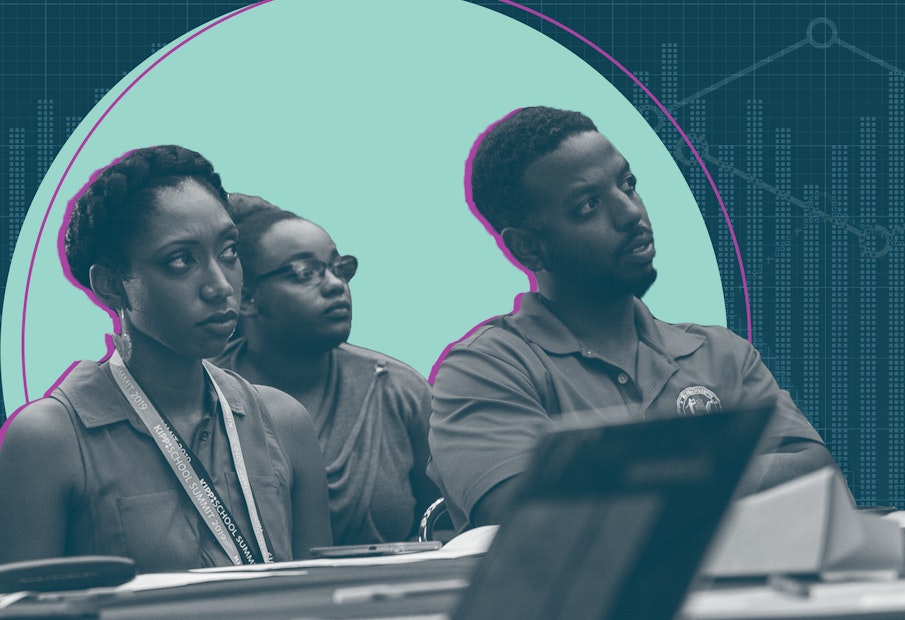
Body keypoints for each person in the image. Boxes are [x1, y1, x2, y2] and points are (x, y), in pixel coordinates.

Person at [428, 106, 844, 532]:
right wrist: (726, 473)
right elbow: (533, 517)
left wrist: (626, 484)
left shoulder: (723, 353)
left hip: (748, 596)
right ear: (529, 249)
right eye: (587, 205)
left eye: (628, 184)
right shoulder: (485, 369)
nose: (630, 212)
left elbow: (818, 476)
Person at [0, 146, 333, 572]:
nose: (219, 286)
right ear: (111, 286)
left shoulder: (283, 421)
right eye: (180, 260)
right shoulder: (49, 439)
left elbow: (320, 601)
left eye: (229, 251)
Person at [212, 194, 439, 545]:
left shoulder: (398, 389)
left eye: (339, 268)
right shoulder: (204, 394)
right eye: (305, 273)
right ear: (246, 299)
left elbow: (446, 524)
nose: (336, 285)